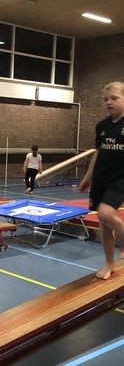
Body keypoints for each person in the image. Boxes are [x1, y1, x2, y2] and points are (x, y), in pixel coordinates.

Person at [79, 81, 124, 280]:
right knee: (103, 224)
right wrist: (87, 177)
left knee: (106, 213)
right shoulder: (101, 126)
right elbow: (98, 154)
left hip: (120, 179)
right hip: (101, 179)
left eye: (114, 98)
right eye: (106, 99)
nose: (109, 102)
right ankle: (109, 263)